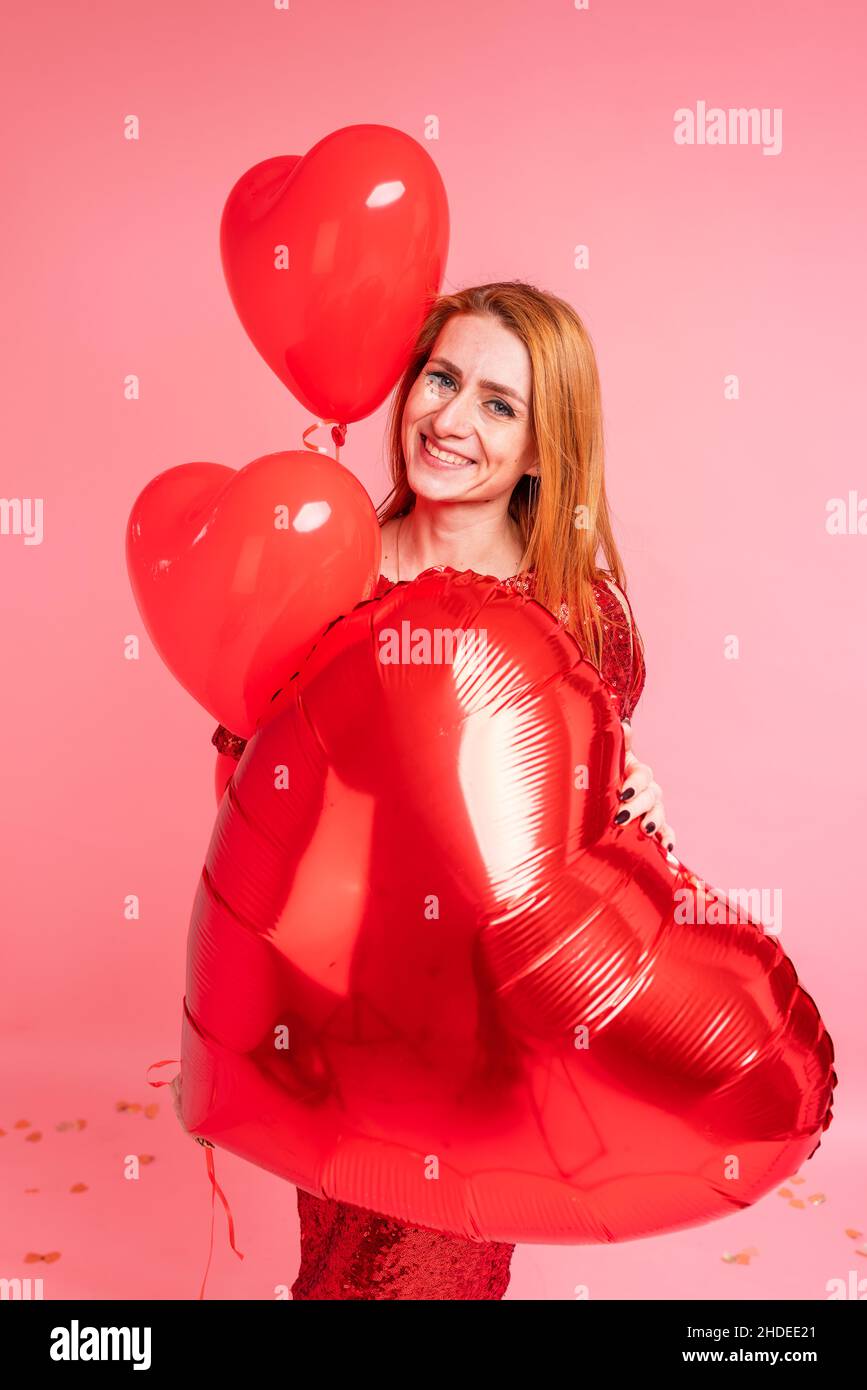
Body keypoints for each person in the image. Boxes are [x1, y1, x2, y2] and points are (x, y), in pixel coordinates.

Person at [198, 281, 676, 1299]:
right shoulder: (324, 575)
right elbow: (246, 775)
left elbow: (578, 821)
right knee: (333, 1265)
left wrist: (640, 820)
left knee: (419, 1276)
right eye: (441, 377)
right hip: (325, 1017)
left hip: (479, 1050)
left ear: (546, 449)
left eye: (500, 404)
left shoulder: (580, 618)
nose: (451, 417)